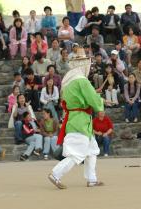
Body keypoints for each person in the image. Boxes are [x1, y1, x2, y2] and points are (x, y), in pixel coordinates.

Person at [48, 59, 104, 190]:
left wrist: (97, 98)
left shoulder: (68, 82)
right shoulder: (82, 80)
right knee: (76, 154)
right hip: (81, 121)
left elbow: (85, 98)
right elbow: (93, 100)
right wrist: (100, 101)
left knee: (92, 151)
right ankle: (56, 174)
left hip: (76, 119)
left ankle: (92, 179)